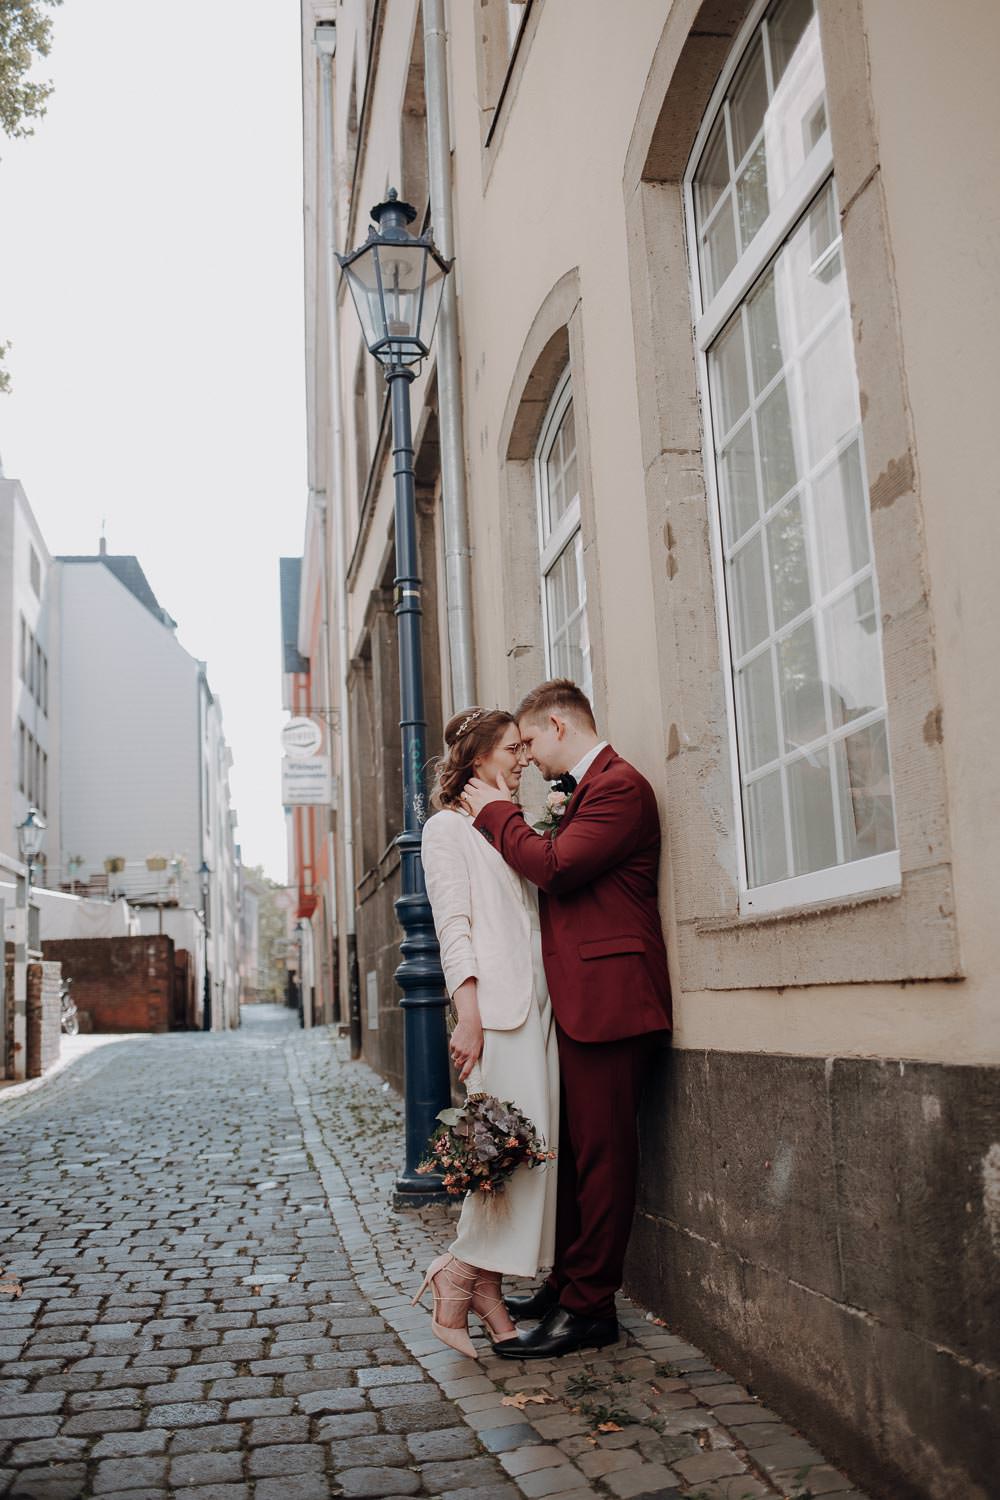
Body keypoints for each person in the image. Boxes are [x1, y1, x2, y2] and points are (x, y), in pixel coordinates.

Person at [462, 678, 672, 1359]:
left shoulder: (619, 787)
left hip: (614, 1001)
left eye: (528, 742)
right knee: (578, 1156)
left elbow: (555, 867)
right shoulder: (581, 792)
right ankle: (566, 1287)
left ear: (558, 725)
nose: (526, 758)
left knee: (605, 1159)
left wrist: (496, 812)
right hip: (581, 1003)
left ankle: (591, 1310)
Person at [413, 707, 559, 1359]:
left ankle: (485, 1293)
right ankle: (456, 1275)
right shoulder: (447, 829)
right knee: (504, 1159)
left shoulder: (507, 820)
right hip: (494, 1016)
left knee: (523, 1160)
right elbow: (455, 925)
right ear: (477, 758)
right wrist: (466, 1014)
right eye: (510, 748)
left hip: (539, 1011)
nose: (523, 757)